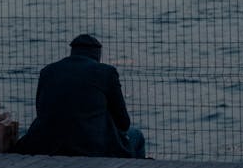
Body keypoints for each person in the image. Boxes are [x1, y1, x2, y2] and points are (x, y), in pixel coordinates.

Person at [15, 34, 146, 158]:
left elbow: (41, 110)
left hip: (48, 144)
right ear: (97, 54)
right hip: (90, 146)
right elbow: (123, 123)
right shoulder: (106, 72)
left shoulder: (48, 71)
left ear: (72, 51)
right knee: (136, 136)